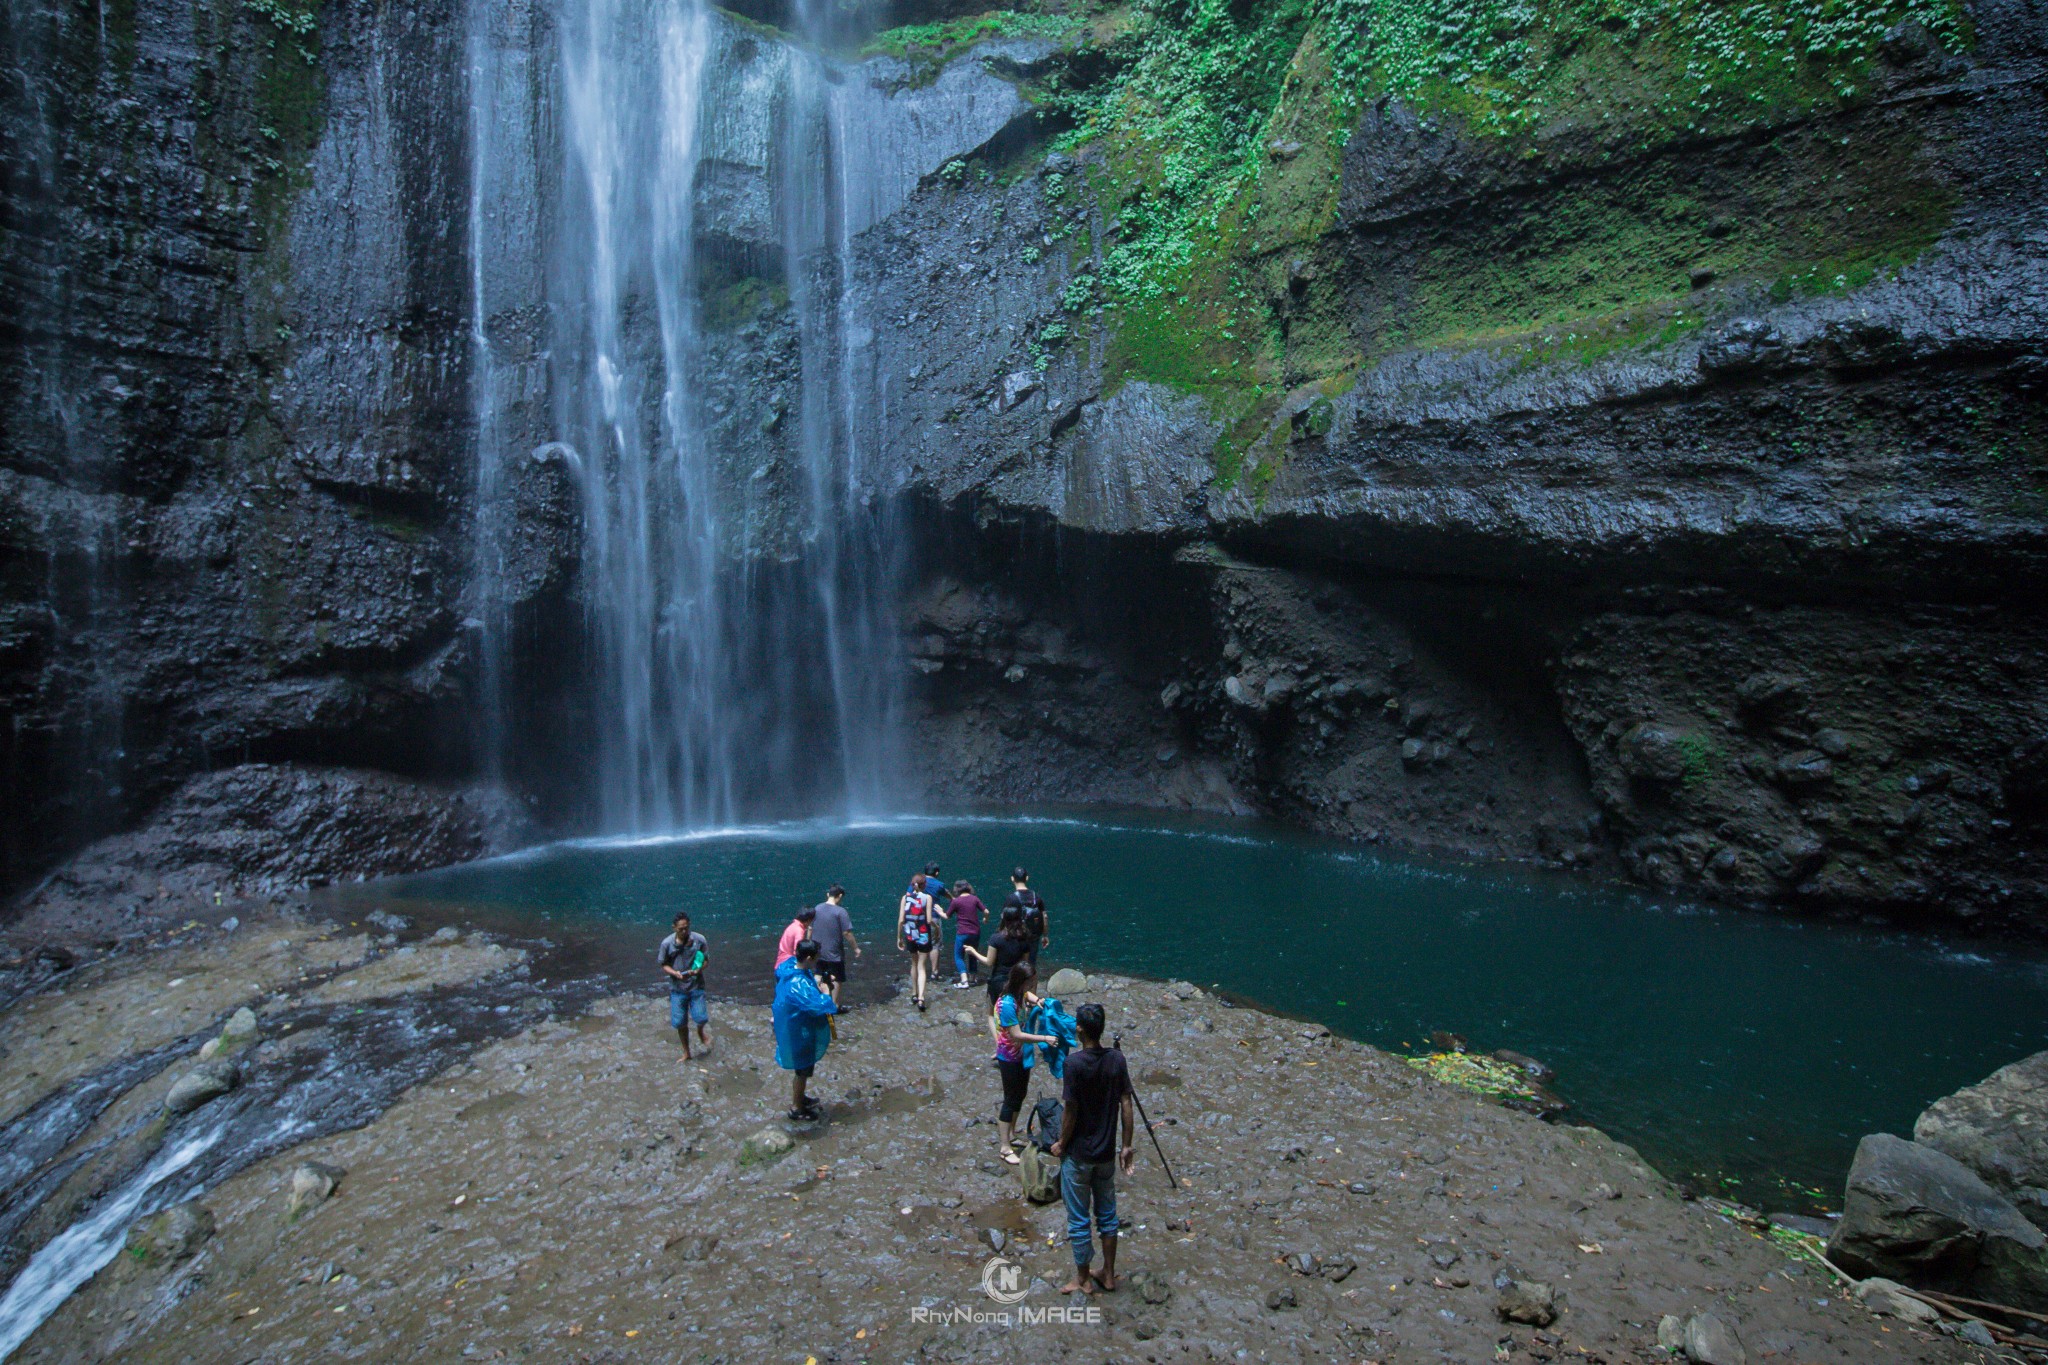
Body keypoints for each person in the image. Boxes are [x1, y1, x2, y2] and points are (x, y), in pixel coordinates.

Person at [1050, 1001, 1134, 1294]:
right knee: (1108, 1214)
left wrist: (1062, 1142)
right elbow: (1126, 1102)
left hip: (1079, 1155)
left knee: (1079, 1218)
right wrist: (1126, 1145)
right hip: (1105, 1153)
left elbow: (1070, 1110)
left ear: (1080, 1029)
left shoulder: (1073, 1064)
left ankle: (1083, 1277)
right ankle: (1108, 1274)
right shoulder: (1116, 1060)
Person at [991, 962, 1057, 1166]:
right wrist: (1044, 1038)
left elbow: (1029, 996)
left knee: (1021, 1093)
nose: (1033, 985)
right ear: (1021, 981)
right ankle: (1004, 1147)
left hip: (1021, 1056)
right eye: (1030, 982)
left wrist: (1038, 1000)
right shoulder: (1007, 1004)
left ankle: (1011, 1133)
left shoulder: (1020, 994)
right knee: (1010, 1099)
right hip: (1009, 1056)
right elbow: (1016, 1034)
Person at [772, 938, 838, 1120]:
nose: (817, 961)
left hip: (795, 1027)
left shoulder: (790, 968)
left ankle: (800, 1098)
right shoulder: (797, 985)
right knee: (802, 1070)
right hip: (799, 1031)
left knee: (803, 1070)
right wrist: (825, 992)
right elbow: (819, 1006)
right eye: (815, 958)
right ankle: (797, 1107)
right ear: (808, 957)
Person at [659, 911, 711, 1062]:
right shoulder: (667, 944)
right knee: (680, 1023)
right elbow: (663, 964)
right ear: (674, 928)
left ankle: (700, 1032)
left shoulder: (699, 940)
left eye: (686, 928)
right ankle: (687, 1052)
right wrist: (674, 973)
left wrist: (699, 969)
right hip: (677, 988)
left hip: (696, 986)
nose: (684, 931)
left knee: (701, 1018)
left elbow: (706, 960)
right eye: (681, 929)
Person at [965, 906, 1031, 1013]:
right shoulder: (1024, 939)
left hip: (998, 981)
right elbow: (1025, 964)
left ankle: (998, 1030)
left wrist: (973, 952)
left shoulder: (996, 938)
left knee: (992, 1013)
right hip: (1017, 982)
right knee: (1014, 1012)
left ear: (1004, 919)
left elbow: (989, 962)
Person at [896, 872, 946, 1011]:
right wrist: (936, 928)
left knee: (914, 962)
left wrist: (899, 938)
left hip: (910, 934)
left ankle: (914, 993)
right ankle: (921, 998)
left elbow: (901, 920)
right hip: (923, 934)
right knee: (922, 966)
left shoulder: (905, 898)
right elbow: (929, 920)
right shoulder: (927, 898)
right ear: (924, 885)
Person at [810, 883, 859, 1001]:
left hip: (818, 951)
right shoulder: (841, 912)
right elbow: (847, 933)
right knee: (837, 978)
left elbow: (810, 928)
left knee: (818, 974)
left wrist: (809, 944)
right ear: (840, 896)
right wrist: (856, 948)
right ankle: (834, 1004)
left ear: (828, 894)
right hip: (834, 953)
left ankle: (816, 1000)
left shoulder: (817, 908)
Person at [1005, 867, 1050, 972]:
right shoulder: (1036, 896)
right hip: (1033, 935)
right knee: (1031, 962)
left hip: (1017, 936)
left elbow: (1005, 918)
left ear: (1012, 879)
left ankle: (1017, 985)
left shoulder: (1011, 898)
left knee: (1016, 964)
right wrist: (1045, 935)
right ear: (1027, 878)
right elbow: (1045, 917)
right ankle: (1030, 984)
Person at [774, 903, 817, 969]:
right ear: (808, 920)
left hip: (780, 962)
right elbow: (799, 952)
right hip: (787, 965)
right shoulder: (799, 931)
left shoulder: (793, 925)